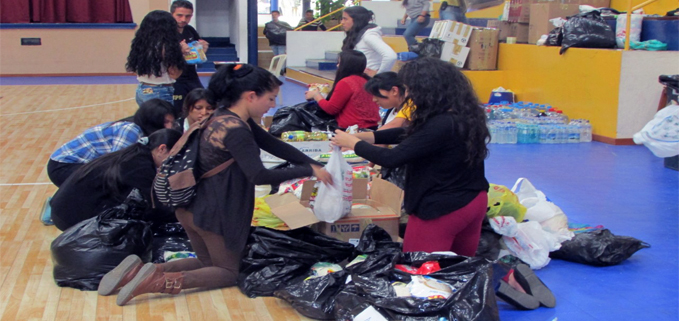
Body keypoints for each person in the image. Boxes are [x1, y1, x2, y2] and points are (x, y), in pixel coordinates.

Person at [102, 63, 332, 306]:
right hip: (213, 213)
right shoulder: (237, 130)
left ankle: (141, 271)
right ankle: (156, 283)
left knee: (207, 262)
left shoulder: (222, 116)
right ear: (251, 96)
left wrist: (316, 164)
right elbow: (258, 175)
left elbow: (273, 144)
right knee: (227, 271)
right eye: (271, 98)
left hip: (188, 207)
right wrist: (307, 170)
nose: (273, 104)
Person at [330, 57, 490, 256]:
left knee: (419, 270)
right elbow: (416, 135)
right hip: (473, 200)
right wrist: (368, 136)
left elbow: (393, 157)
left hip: (443, 208)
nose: (408, 95)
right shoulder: (462, 115)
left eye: (410, 89)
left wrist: (353, 143)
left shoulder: (441, 123)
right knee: (459, 269)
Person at [50, 129, 182, 232]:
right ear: (162, 149)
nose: (174, 163)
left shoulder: (136, 153)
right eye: (174, 157)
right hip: (69, 216)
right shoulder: (138, 166)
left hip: (64, 205)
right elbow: (155, 204)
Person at [47, 99, 175, 187]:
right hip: (63, 167)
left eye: (171, 122)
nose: (169, 127)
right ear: (152, 121)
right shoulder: (131, 130)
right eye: (165, 122)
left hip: (75, 164)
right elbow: (118, 166)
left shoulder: (138, 126)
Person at [305, 50, 380, 130]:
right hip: (371, 127)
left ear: (346, 65)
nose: (337, 66)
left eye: (339, 63)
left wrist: (316, 95)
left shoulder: (346, 82)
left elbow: (331, 109)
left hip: (354, 129)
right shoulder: (366, 80)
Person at [127, 10, 185, 107]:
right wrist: (181, 53)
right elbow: (175, 74)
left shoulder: (142, 44)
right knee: (163, 121)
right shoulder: (166, 47)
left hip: (142, 89)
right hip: (160, 91)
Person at [171, 0, 210, 118]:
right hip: (175, 78)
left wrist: (202, 49)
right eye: (179, 15)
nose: (183, 19)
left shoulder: (190, 30)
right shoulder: (167, 33)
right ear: (172, 14)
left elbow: (197, 49)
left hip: (191, 75)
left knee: (203, 101)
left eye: (188, 16)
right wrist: (179, 51)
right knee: (178, 111)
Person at [341, 6, 397, 76]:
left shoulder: (369, 36)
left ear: (357, 20)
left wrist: (378, 75)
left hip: (367, 81)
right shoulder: (356, 35)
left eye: (345, 19)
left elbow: (390, 56)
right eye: (342, 19)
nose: (342, 22)